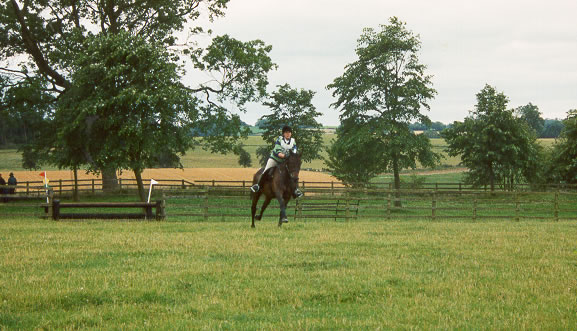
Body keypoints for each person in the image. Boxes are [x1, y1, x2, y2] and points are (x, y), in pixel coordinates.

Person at [251, 126, 303, 198]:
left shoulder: (293, 141)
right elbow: (278, 152)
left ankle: (295, 190)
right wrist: (285, 156)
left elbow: (294, 152)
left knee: (292, 174)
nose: (288, 134)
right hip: (275, 159)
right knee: (266, 170)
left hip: (284, 161)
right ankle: (258, 186)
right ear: (283, 134)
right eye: (286, 132)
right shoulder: (280, 139)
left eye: (289, 132)